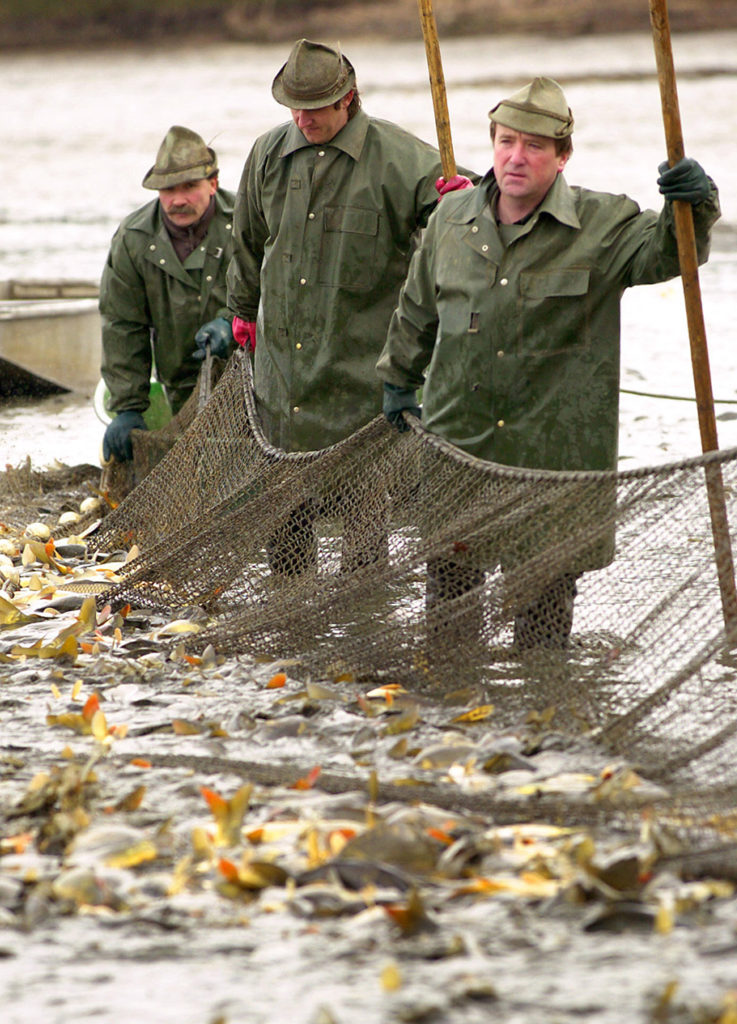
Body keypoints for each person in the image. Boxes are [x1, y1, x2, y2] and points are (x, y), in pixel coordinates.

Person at [376, 76, 721, 647]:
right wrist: (397, 379)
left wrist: (695, 205)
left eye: (535, 146)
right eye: (507, 141)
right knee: (449, 628)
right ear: (492, 144)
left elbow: (668, 253)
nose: (517, 157)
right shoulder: (449, 220)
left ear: (562, 157)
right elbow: (417, 311)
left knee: (542, 637)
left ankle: (540, 724)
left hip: (554, 464)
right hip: (459, 452)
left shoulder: (603, 224)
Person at [226, 38, 473, 573]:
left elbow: (480, 218)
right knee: (285, 533)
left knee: (365, 547)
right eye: (293, 107)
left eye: (314, 109)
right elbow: (246, 241)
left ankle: (364, 623)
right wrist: (241, 312)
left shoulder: (401, 156)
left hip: (361, 386)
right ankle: (291, 611)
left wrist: (461, 201)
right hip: (282, 383)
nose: (302, 118)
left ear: (348, 100)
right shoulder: (268, 153)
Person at [100, 125, 236, 462]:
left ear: (213, 184)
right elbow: (122, 325)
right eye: (167, 189)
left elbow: (280, 295)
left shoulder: (249, 222)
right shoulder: (133, 239)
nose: (177, 200)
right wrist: (128, 408)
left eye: (190, 187)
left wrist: (233, 322)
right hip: (179, 384)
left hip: (251, 379)